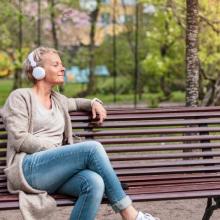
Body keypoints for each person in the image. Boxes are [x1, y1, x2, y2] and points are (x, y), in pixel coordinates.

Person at [1, 47, 159, 220]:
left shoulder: (58, 100)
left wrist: (93, 103)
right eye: (56, 64)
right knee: (92, 148)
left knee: (94, 183)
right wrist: (54, 150)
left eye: (61, 64)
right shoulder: (20, 97)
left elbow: (75, 103)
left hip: (54, 170)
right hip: (28, 168)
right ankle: (130, 214)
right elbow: (20, 139)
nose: (63, 68)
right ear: (38, 71)